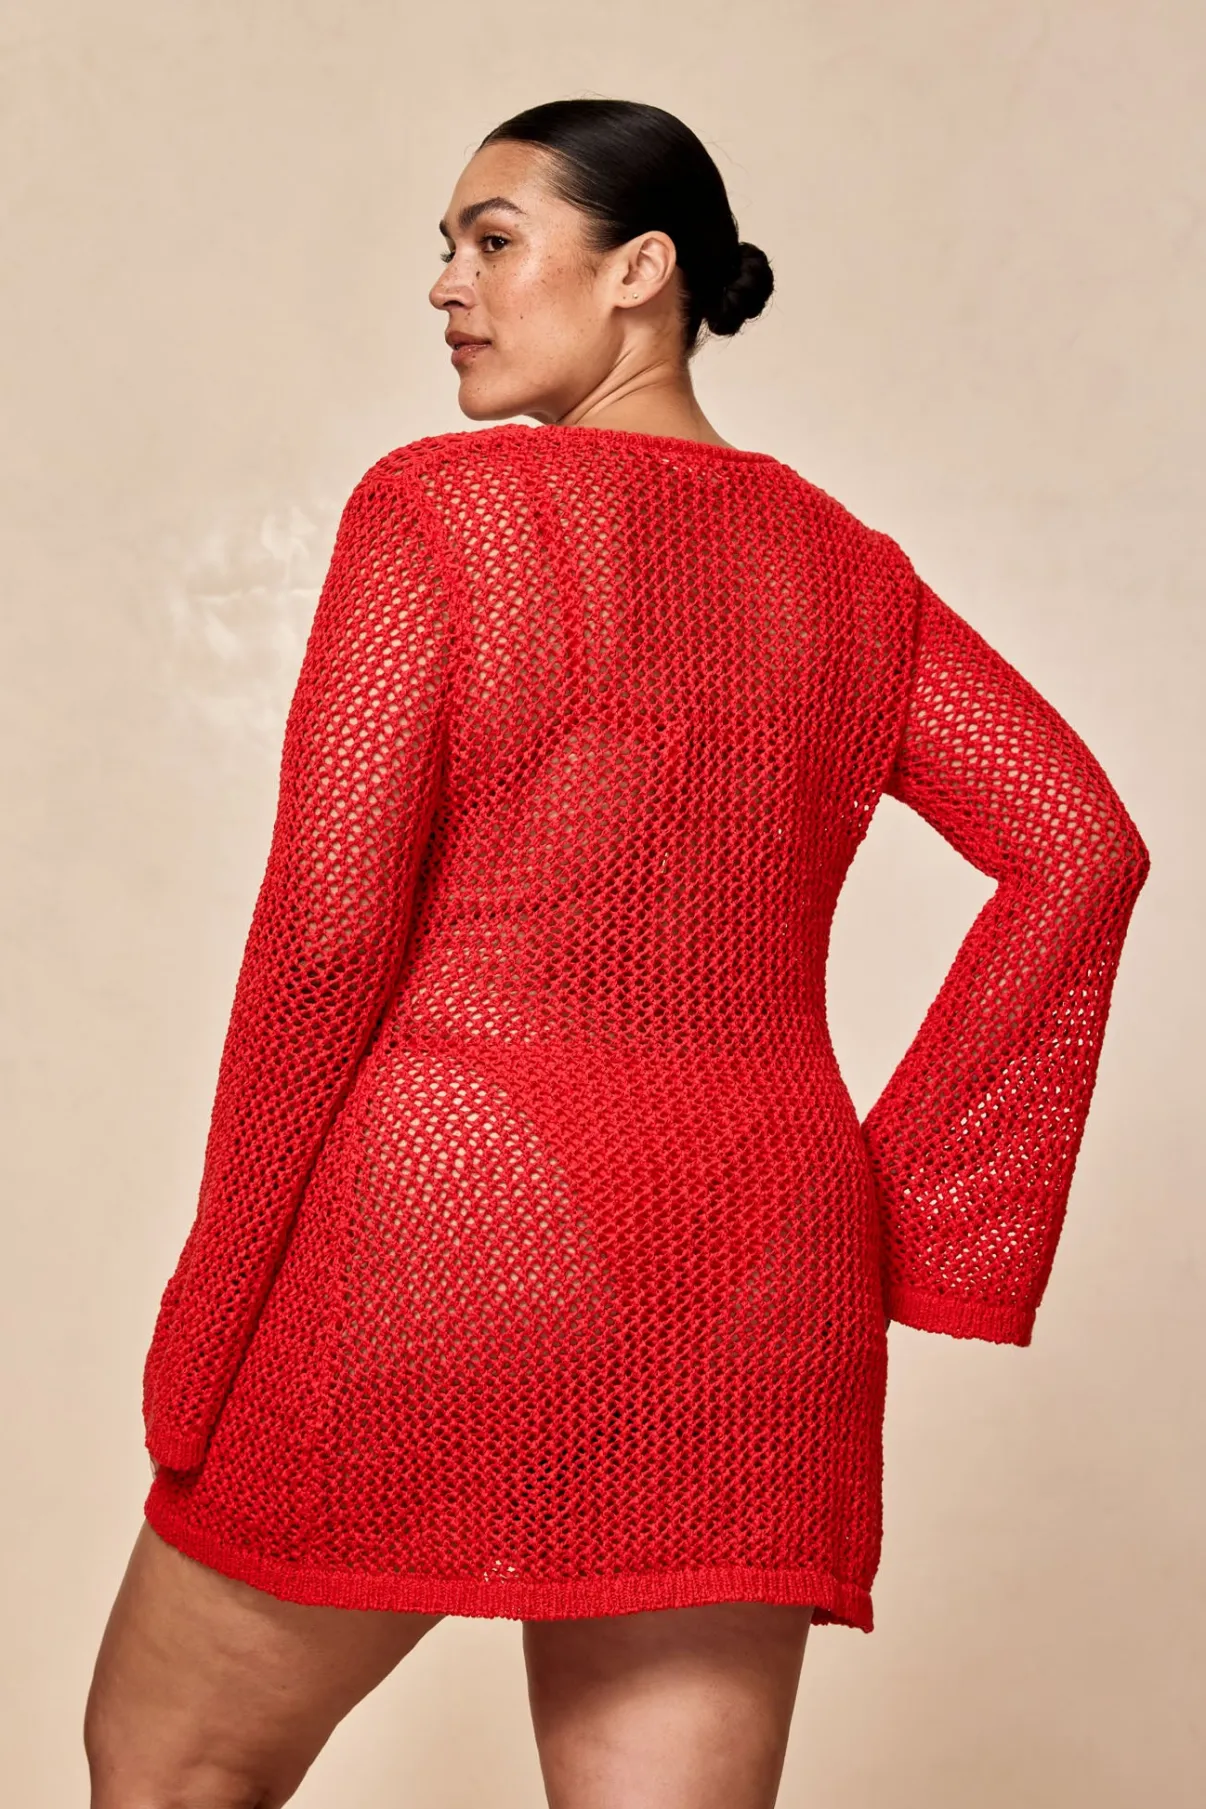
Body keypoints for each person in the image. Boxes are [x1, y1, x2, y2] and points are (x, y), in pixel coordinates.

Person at [83, 97, 1150, 1809]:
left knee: (168, 1771)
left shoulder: (442, 512)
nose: (446, 284)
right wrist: (914, 1208)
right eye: (446, 248)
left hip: (450, 1225)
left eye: (492, 240)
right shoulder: (852, 575)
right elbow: (1081, 846)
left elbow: (326, 938)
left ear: (640, 270)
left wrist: (216, 1304)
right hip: (758, 1261)